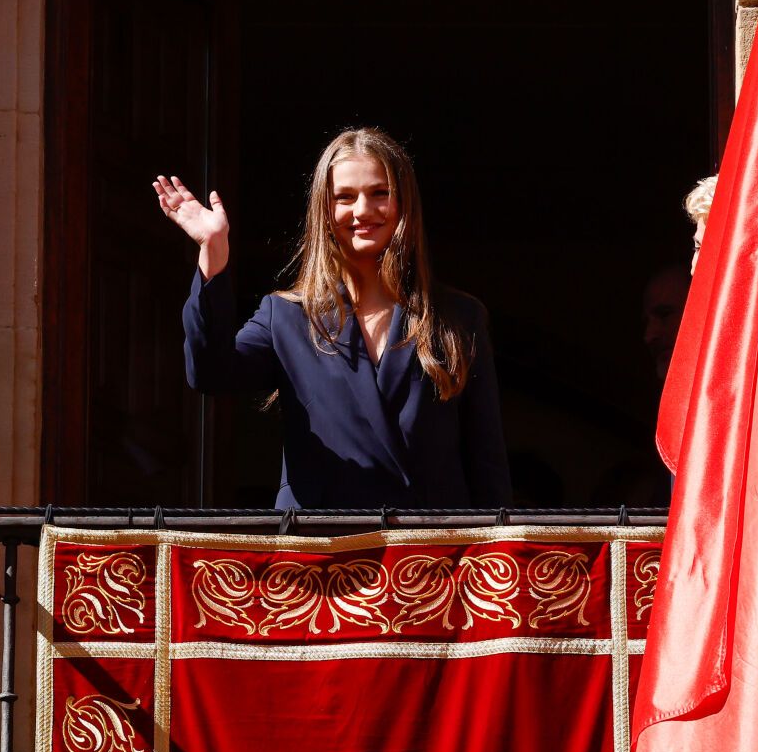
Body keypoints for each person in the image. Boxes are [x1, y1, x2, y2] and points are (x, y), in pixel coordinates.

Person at [152, 128, 511, 510]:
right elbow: (209, 372)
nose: (362, 211)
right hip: (321, 555)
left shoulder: (458, 318)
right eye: (345, 197)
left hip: (426, 557)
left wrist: (492, 558)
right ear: (325, 209)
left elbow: (486, 460)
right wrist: (214, 252)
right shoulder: (287, 317)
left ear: (404, 203)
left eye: (379, 193)